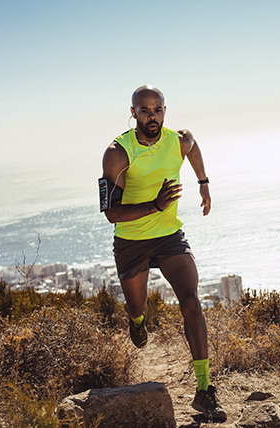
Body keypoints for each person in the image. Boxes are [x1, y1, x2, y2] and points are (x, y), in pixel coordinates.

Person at [100, 85, 227, 421]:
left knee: (191, 299)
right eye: (144, 110)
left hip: (170, 236)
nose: (151, 115)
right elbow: (111, 213)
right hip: (131, 241)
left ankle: (204, 390)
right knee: (137, 306)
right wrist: (155, 204)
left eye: (157, 109)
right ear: (133, 113)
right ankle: (137, 321)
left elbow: (193, 147)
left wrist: (203, 182)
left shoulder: (178, 139)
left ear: (164, 111)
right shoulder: (118, 152)